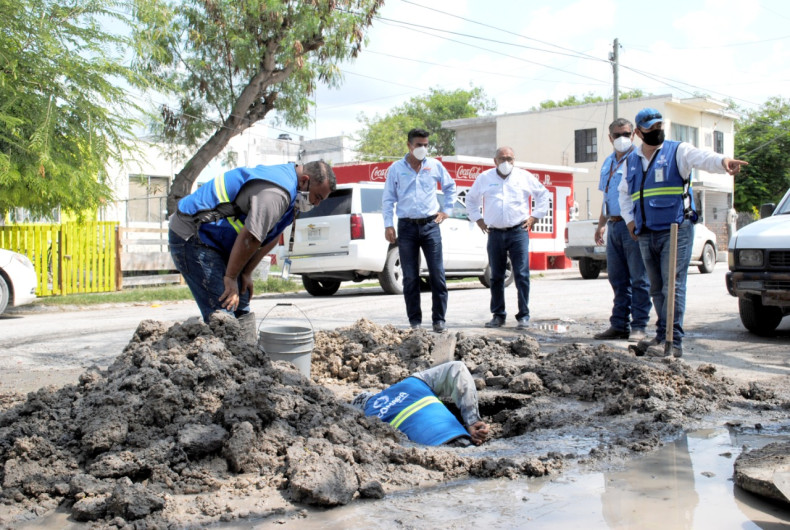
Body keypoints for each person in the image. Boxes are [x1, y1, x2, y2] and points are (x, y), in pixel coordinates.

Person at [618, 108, 747, 358]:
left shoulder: (678, 151)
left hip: (675, 229)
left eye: (659, 126)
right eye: (650, 129)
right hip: (645, 232)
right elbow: (624, 193)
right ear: (638, 132)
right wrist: (630, 221)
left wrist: (724, 162)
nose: (657, 131)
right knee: (656, 287)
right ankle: (661, 335)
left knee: (673, 285)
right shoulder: (631, 160)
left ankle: (672, 342)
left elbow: (704, 158)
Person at [169, 161, 336, 322]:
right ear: (305, 180)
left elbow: (272, 236)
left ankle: (246, 349)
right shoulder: (277, 193)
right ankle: (218, 344)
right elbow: (251, 237)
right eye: (317, 197)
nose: (316, 204)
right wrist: (231, 277)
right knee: (223, 311)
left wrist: (246, 273)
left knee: (241, 302)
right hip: (193, 234)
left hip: (216, 241)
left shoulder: (295, 196)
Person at [465, 146, 550, 329]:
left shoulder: (523, 176)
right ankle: (498, 315)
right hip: (494, 233)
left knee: (521, 274)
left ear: (514, 160)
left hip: (518, 232)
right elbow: (471, 200)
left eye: (509, 159)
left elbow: (543, 195)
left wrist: (535, 216)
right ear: (495, 161)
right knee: (496, 276)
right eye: (502, 159)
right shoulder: (485, 178)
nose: (506, 162)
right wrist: (478, 219)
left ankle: (523, 315)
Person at [382, 128, 457, 333]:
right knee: (410, 276)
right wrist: (388, 224)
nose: (423, 148)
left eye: (425, 145)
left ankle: (439, 320)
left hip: (430, 225)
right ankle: (415, 321)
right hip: (406, 227)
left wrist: (446, 211)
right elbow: (388, 198)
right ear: (409, 145)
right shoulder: (396, 168)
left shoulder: (435, 165)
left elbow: (451, 186)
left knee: (437, 274)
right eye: (419, 145)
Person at [593, 118, 651, 343]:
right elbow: (607, 197)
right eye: (617, 135)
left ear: (634, 135)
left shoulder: (640, 159)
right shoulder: (608, 162)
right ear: (610, 138)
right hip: (614, 226)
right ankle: (619, 325)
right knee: (617, 280)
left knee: (639, 279)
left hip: (632, 226)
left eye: (626, 134)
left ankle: (639, 326)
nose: (622, 138)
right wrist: (601, 224)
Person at [350, 361, 489, 446]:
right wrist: (472, 421)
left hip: (432, 455)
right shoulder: (413, 382)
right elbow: (457, 368)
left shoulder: (367, 419)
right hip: (463, 438)